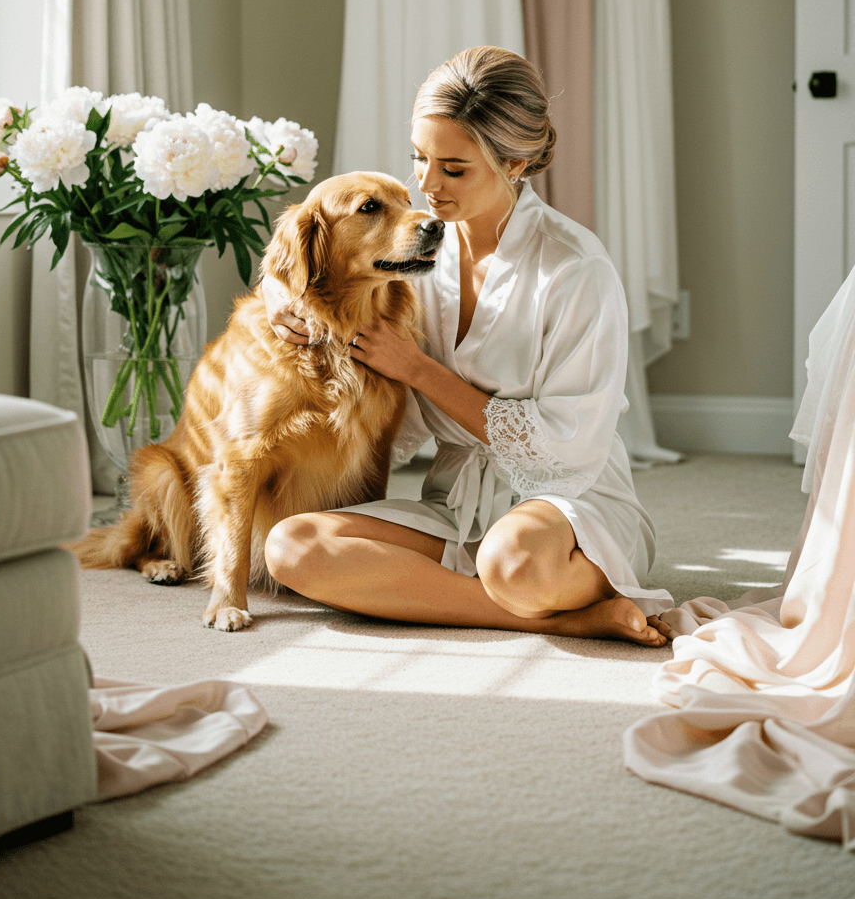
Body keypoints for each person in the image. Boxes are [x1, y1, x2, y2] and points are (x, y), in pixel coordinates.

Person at [263, 46, 674, 645]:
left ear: (516, 162)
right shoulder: (415, 247)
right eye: (418, 158)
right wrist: (278, 293)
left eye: (452, 169)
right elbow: (314, 250)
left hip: (565, 502)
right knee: (292, 546)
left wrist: (420, 371)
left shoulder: (574, 267)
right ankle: (577, 618)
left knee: (514, 564)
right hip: (456, 503)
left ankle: (544, 587)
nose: (426, 186)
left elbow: (569, 450)